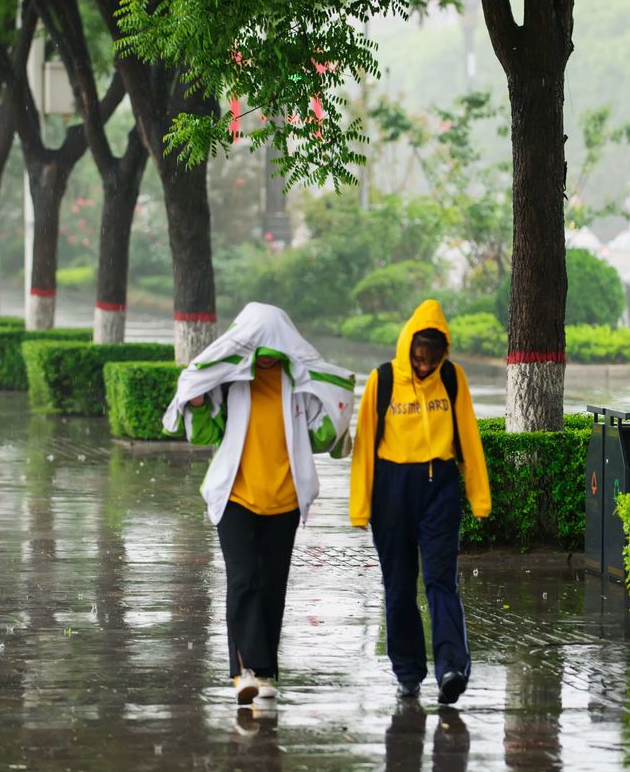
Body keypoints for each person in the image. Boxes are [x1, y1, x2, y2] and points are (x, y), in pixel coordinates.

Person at [163, 302, 354, 707]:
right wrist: (197, 405)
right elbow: (204, 434)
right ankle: (248, 671)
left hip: (285, 500)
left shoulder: (298, 381)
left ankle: (264, 674)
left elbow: (319, 439)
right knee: (244, 579)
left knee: (271, 589)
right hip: (236, 497)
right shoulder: (231, 379)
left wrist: (337, 415)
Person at [349, 299, 491, 705]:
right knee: (397, 585)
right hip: (391, 488)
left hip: (439, 486)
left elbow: (468, 438)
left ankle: (451, 668)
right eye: (418, 357)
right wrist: (360, 506)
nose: (424, 366)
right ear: (407, 348)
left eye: (432, 358)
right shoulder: (383, 380)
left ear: (442, 351)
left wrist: (479, 496)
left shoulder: (452, 379)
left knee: (440, 579)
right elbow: (364, 447)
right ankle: (408, 671)